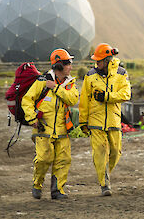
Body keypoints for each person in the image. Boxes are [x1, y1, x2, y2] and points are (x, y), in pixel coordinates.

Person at [22, 48, 79, 199]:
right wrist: (32, 119)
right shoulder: (41, 81)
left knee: (63, 160)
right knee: (43, 158)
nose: (70, 67)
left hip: (62, 130)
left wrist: (56, 88)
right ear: (59, 66)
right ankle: (37, 184)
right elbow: (26, 100)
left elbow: (72, 100)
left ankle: (57, 190)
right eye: (68, 64)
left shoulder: (69, 84)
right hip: (43, 129)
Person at [79, 43, 131, 196]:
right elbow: (84, 100)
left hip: (114, 121)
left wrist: (107, 97)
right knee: (101, 151)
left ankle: (104, 172)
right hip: (95, 121)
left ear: (108, 60)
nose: (97, 63)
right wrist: (83, 122)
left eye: (99, 60)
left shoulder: (121, 73)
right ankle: (104, 184)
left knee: (115, 152)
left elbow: (126, 94)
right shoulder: (90, 75)